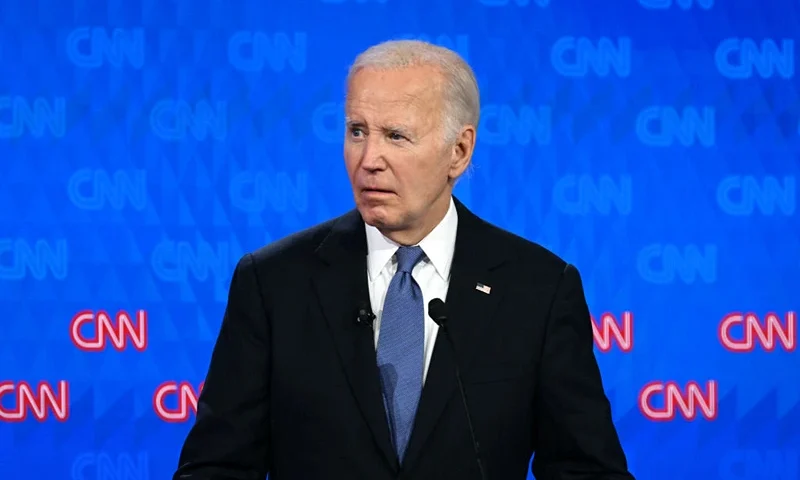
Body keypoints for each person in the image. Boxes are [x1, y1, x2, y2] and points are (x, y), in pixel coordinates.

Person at [173, 39, 635, 480]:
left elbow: (586, 471)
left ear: (459, 150)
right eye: (358, 131)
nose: (369, 158)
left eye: (396, 136)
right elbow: (218, 468)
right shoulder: (274, 283)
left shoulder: (538, 290)